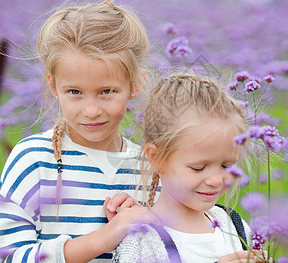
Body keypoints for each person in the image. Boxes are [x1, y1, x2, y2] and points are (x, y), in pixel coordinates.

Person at [0, 0, 159, 262]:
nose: (91, 110)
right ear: (53, 86)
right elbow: (6, 256)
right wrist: (103, 239)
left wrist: (146, 229)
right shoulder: (34, 159)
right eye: (75, 92)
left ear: (135, 84)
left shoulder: (151, 169)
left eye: (106, 92)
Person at [114, 73, 273, 263]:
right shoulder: (143, 239)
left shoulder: (234, 227)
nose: (216, 180)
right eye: (198, 168)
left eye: (227, 165)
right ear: (156, 158)